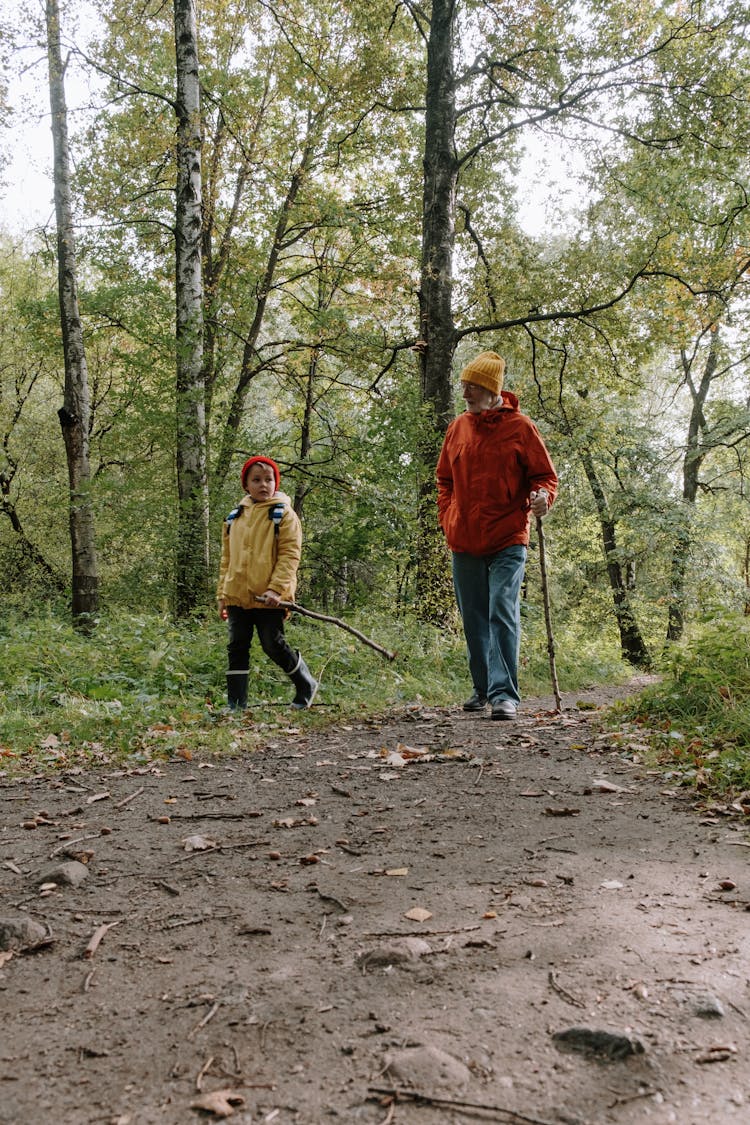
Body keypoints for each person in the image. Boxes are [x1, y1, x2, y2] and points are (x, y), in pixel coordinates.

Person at [436, 351, 558, 720]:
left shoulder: (521, 427)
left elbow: (545, 477)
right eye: (463, 386)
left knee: (501, 610)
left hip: (507, 535)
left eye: (472, 386)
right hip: (464, 539)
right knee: (473, 616)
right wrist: (448, 516)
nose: (465, 393)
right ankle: (483, 687)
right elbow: (444, 480)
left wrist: (542, 498)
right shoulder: (458, 427)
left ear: (492, 391)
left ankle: (504, 694)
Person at [216, 455, 317, 711]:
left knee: (272, 644)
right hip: (237, 594)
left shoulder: (283, 514)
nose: (264, 485)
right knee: (237, 646)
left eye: (269, 479)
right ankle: (236, 704)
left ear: (276, 482)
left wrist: (276, 589)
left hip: (270, 596)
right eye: (257, 480)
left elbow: (289, 555)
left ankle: (305, 684)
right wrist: (222, 594)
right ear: (246, 485)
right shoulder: (234, 517)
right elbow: (226, 559)